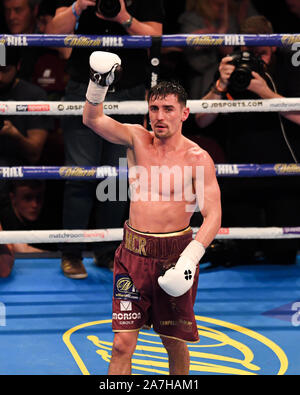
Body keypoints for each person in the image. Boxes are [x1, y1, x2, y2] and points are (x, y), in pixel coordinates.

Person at [82, 51, 222, 375]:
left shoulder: (197, 159)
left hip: (176, 255)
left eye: (168, 109)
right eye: (155, 108)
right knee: (121, 344)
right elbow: (91, 120)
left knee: (172, 340)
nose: (160, 116)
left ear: (184, 113)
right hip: (132, 256)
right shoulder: (136, 139)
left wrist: (188, 261)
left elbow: (213, 215)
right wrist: (97, 82)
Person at [46, 0, 165, 279]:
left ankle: (108, 251)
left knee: (117, 179)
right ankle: (71, 254)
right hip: (83, 88)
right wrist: (78, 7)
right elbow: (53, 32)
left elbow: (155, 37)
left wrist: (124, 17)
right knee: (80, 173)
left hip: (129, 91)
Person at [196, 15, 300, 266]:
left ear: (274, 47)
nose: (255, 59)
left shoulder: (289, 67)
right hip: (241, 170)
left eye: (261, 53)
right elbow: (201, 120)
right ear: (240, 48)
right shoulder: (232, 68)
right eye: (249, 52)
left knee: (283, 254)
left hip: (284, 171)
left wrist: (265, 93)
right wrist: (221, 85)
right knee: (244, 251)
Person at [0, 46, 51, 209]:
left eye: (5, 70)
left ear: (19, 66)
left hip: (20, 169)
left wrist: (15, 135)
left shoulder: (34, 96)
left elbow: (34, 154)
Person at [178, 0, 258, 98]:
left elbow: (256, 39)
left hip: (240, 74)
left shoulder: (240, 9)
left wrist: (219, 32)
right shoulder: (193, 17)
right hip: (205, 79)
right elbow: (189, 50)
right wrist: (219, 33)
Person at [0, 180, 52, 278]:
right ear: (13, 198)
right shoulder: (6, 217)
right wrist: (59, 256)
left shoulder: (49, 213)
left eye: (39, 198)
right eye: (27, 198)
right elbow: (22, 250)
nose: (34, 205)